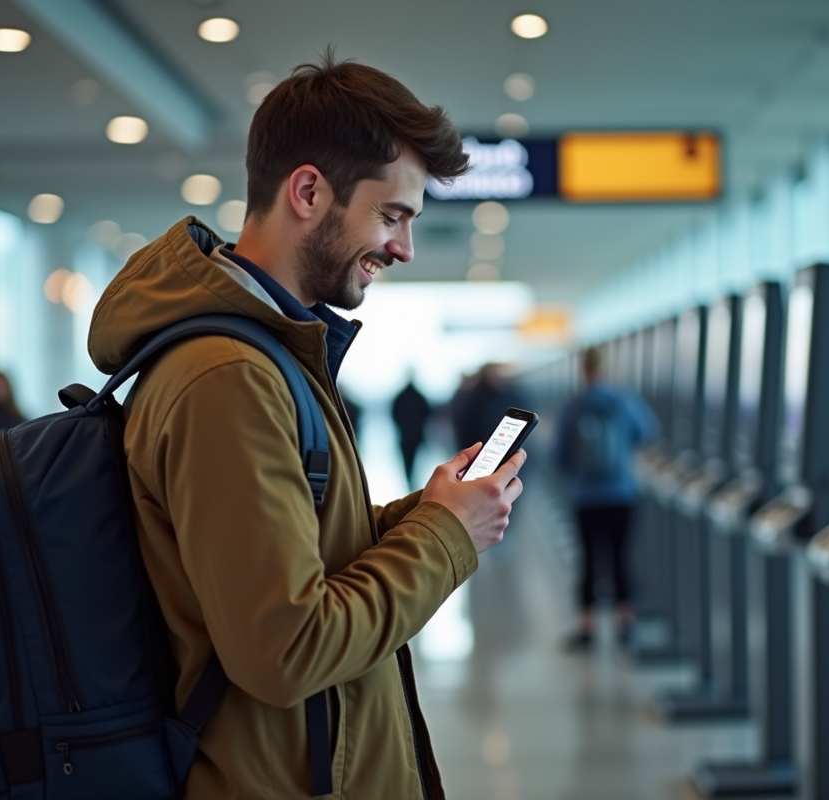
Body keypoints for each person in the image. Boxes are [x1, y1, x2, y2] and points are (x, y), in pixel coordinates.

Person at [87, 52, 526, 800]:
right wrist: (448, 539)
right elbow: (285, 649)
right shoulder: (228, 377)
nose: (403, 247)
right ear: (309, 191)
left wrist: (424, 514)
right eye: (391, 215)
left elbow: (296, 557)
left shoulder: (266, 353)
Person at [556, 346, 658, 649]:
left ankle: (587, 628)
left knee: (588, 560)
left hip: (585, 496)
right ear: (605, 368)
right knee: (620, 558)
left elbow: (560, 455)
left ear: (582, 370)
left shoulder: (574, 406)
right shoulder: (624, 401)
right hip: (622, 493)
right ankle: (625, 623)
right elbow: (647, 433)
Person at [452, 363, 527, 450]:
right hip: (480, 446)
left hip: (506, 443)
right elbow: (466, 426)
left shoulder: (511, 396)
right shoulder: (474, 398)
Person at [391, 376, 431, 489]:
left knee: (406, 462)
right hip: (417, 436)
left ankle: (409, 482)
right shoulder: (419, 397)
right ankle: (414, 482)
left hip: (404, 436)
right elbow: (427, 414)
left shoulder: (400, 397)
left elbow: (394, 415)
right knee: (417, 461)